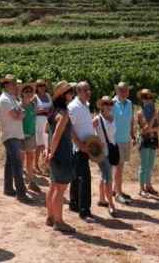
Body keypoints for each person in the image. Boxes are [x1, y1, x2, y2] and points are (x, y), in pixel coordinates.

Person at [45, 81, 77, 233]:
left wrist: (47, 151)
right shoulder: (64, 114)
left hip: (54, 152)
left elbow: (48, 133)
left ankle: (50, 217)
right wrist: (52, 152)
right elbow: (57, 135)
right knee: (60, 189)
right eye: (70, 91)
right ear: (64, 95)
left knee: (53, 186)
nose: (72, 94)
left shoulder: (53, 111)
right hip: (62, 153)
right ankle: (59, 221)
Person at [0, 74, 30, 203]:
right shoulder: (4, 100)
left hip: (13, 134)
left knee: (11, 163)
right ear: (6, 85)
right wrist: (21, 114)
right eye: (13, 83)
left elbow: (21, 113)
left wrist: (20, 113)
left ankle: (8, 188)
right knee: (17, 164)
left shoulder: (11, 98)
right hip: (10, 135)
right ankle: (21, 193)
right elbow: (17, 115)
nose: (16, 85)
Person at [68, 81, 95, 222]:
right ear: (78, 92)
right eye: (85, 90)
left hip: (86, 146)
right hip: (78, 148)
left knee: (76, 177)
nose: (88, 92)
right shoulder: (73, 107)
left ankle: (74, 204)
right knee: (85, 179)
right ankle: (84, 211)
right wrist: (79, 143)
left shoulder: (86, 105)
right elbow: (69, 128)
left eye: (89, 89)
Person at [93, 95, 117, 217]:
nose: (108, 106)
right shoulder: (97, 119)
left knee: (105, 175)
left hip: (111, 150)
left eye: (110, 104)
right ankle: (111, 204)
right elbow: (89, 134)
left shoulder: (113, 117)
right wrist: (97, 143)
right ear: (101, 106)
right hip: (102, 153)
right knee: (109, 177)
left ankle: (102, 199)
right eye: (106, 104)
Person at [112, 82, 136, 205]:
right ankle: (118, 193)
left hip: (126, 139)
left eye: (126, 90)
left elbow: (131, 121)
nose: (124, 92)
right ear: (117, 91)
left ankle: (115, 190)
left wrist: (133, 135)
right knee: (118, 168)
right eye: (121, 90)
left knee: (119, 167)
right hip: (115, 141)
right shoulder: (111, 104)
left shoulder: (130, 103)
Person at [136, 89, 159, 197]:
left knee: (150, 165)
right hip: (144, 140)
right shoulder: (140, 113)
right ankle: (142, 189)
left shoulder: (153, 111)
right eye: (145, 97)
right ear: (142, 99)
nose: (147, 99)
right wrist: (154, 118)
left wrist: (151, 128)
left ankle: (149, 185)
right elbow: (145, 129)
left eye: (149, 97)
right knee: (144, 166)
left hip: (153, 139)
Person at [21, 82, 41, 193]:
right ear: (22, 93)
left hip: (31, 134)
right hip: (21, 135)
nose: (29, 93)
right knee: (21, 159)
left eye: (30, 91)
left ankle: (30, 181)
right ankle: (21, 182)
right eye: (26, 91)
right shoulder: (19, 105)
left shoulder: (33, 105)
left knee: (30, 158)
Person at [34, 79, 52, 175]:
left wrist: (45, 110)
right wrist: (42, 110)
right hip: (39, 122)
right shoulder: (35, 97)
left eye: (43, 85)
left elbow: (51, 108)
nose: (42, 87)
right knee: (38, 145)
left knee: (47, 145)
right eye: (40, 86)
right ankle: (36, 165)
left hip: (47, 121)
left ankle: (45, 166)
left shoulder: (48, 96)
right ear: (37, 87)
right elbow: (32, 111)